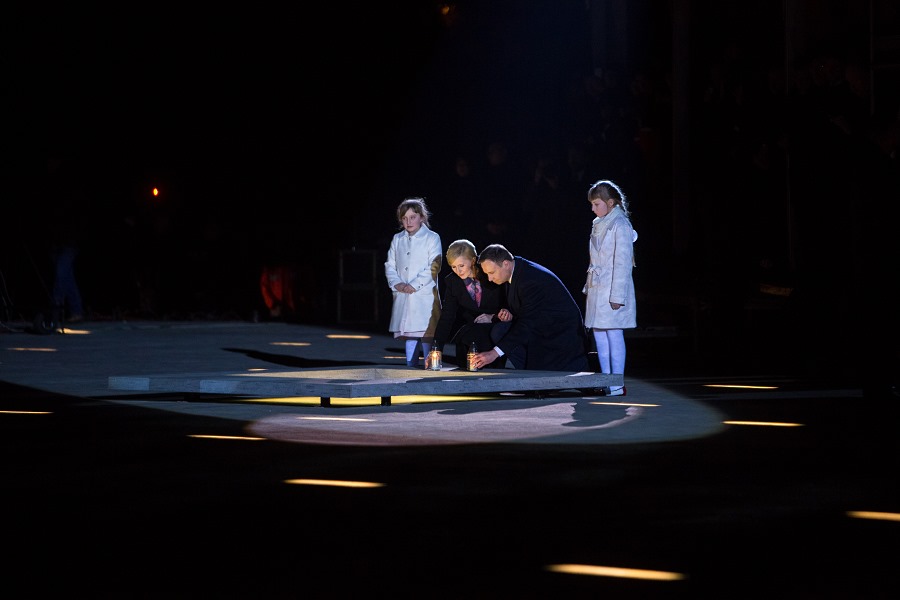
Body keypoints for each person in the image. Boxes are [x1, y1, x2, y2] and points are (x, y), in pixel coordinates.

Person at [471, 244, 589, 371]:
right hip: (541, 328)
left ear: (506, 264)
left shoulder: (530, 279)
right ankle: (524, 372)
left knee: (507, 336)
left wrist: (494, 353)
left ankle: (527, 374)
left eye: (491, 273)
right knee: (499, 330)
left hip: (559, 336)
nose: (489, 278)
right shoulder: (516, 271)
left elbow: (528, 322)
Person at [582, 179, 637, 396]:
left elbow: (623, 264)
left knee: (613, 333)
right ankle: (606, 380)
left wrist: (617, 296)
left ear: (611, 202)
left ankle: (617, 383)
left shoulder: (620, 225)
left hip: (612, 289)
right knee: (600, 334)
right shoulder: (599, 223)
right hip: (599, 287)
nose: (593, 208)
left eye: (596, 204)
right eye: (592, 204)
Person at [385, 197, 442, 367]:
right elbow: (390, 264)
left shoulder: (432, 238)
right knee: (410, 333)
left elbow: (434, 265)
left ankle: (431, 366)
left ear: (421, 217)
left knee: (427, 333)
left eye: (412, 217)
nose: (408, 222)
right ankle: (411, 366)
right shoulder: (398, 239)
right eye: (404, 218)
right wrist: (397, 283)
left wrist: (414, 285)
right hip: (404, 294)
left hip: (424, 295)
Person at [433, 239, 508, 369]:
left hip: (495, 327)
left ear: (473, 260)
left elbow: (509, 303)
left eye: (461, 265)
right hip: (471, 331)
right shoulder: (452, 281)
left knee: (484, 339)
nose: (458, 271)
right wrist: (437, 348)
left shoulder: (490, 273)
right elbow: (447, 316)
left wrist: (493, 317)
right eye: (453, 267)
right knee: (467, 340)